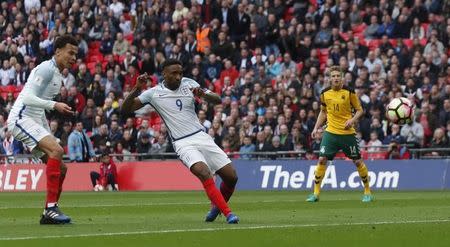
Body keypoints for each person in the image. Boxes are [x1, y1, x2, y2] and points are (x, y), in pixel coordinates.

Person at [121, 59, 239, 224]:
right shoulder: (154, 93)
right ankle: (228, 214)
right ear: (164, 74)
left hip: (201, 136)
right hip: (182, 142)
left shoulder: (189, 83)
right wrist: (136, 88)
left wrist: (203, 94)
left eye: (180, 73)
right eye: (174, 73)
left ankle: (216, 208)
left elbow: (218, 99)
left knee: (231, 177)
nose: (178, 77)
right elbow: (125, 109)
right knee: (204, 173)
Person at [6, 35, 78, 224]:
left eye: (76, 54)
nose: (73, 58)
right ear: (57, 51)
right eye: (70, 53)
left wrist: (48, 131)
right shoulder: (46, 69)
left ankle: (49, 212)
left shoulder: (58, 75)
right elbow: (28, 98)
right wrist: (55, 105)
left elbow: (39, 108)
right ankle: (51, 208)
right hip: (20, 118)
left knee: (61, 168)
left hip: (35, 120)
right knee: (57, 150)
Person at [307, 66, 373, 203]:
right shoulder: (324, 93)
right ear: (330, 78)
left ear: (342, 78)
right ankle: (316, 193)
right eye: (333, 76)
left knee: (357, 161)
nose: (336, 78)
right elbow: (323, 112)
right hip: (330, 133)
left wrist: (352, 120)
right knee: (321, 160)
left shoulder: (349, 92)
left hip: (347, 133)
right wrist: (316, 128)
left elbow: (360, 110)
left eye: (338, 76)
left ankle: (367, 191)